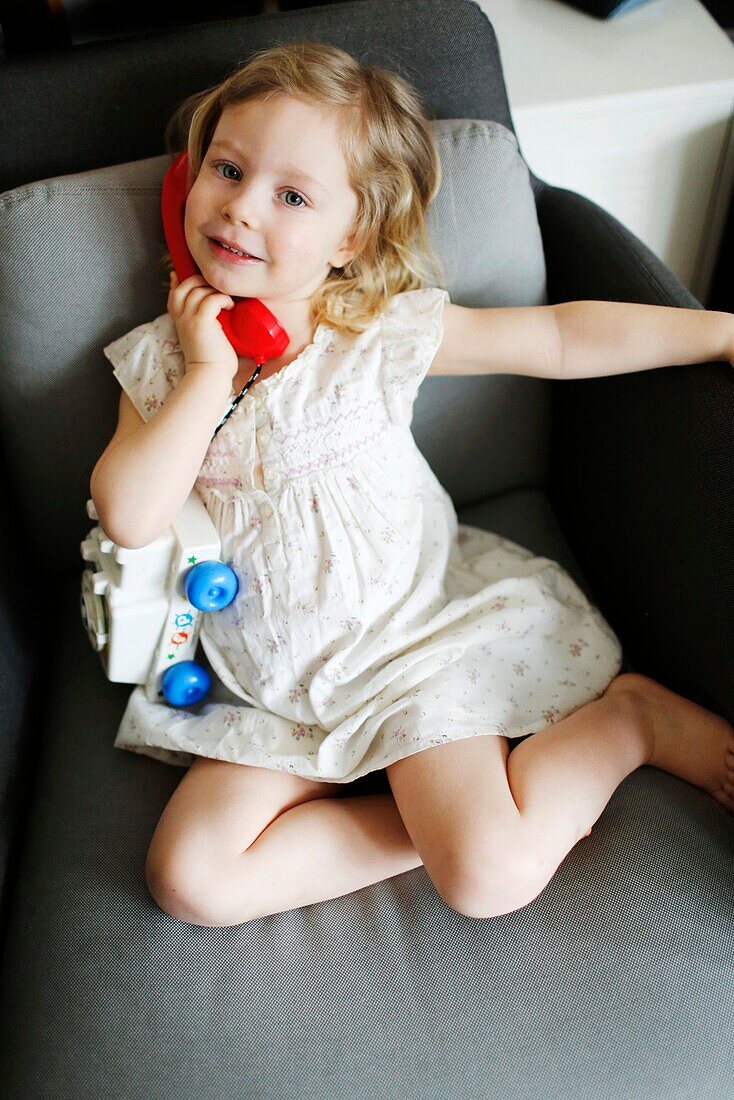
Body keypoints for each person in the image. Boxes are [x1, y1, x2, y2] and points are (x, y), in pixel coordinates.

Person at [90, 40, 734, 929]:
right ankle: (419, 810)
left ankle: (633, 724)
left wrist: (719, 334)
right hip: (284, 687)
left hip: (411, 650)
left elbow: (556, 340)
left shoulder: (373, 331)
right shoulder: (161, 365)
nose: (239, 209)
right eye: (226, 169)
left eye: (291, 196)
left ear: (349, 236)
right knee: (191, 880)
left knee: (489, 877)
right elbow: (129, 514)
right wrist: (205, 373)